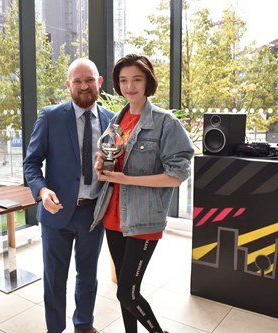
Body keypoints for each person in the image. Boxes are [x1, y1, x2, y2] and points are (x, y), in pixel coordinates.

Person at [91, 54, 194, 333]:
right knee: (124, 292)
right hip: (113, 215)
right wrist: (102, 164)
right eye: (123, 80)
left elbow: (176, 175)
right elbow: (112, 158)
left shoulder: (165, 122)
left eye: (136, 79)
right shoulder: (116, 120)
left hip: (143, 218)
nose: (129, 86)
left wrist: (126, 178)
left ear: (148, 81)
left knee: (128, 292)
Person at [23, 58, 114, 333]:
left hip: (93, 213)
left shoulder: (112, 120)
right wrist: (41, 189)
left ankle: (84, 325)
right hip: (56, 212)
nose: (84, 86)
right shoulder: (50, 116)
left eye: (89, 80)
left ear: (99, 82)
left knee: (88, 275)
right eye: (77, 81)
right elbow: (31, 162)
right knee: (54, 279)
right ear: (68, 85)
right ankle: (55, 329)